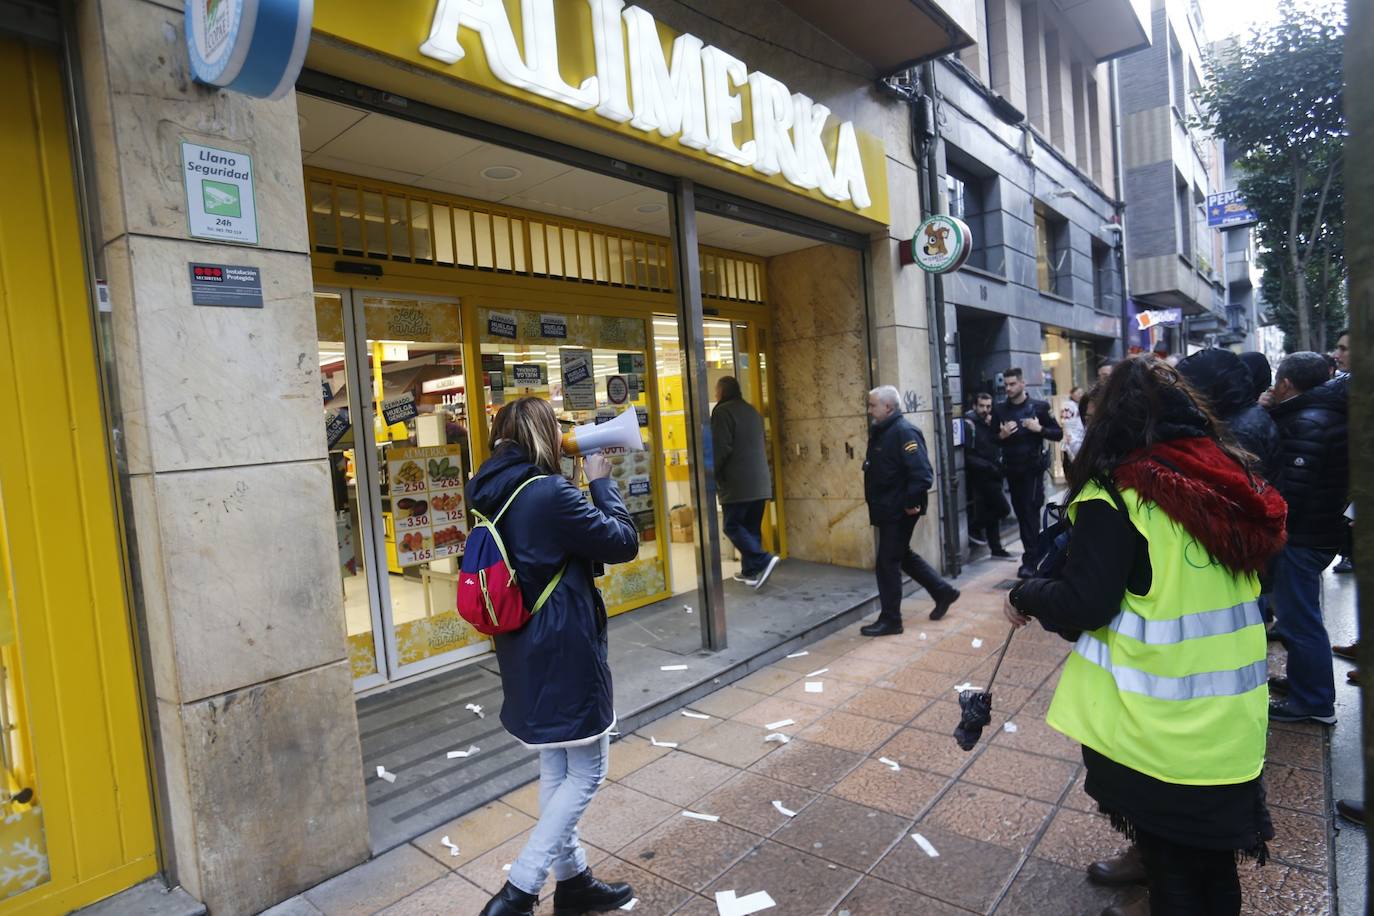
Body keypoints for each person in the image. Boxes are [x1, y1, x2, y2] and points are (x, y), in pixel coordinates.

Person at [1004, 356, 1286, 916]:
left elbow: (1085, 603)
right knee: (1210, 863)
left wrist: (1024, 595)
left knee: (1176, 868)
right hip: (1230, 721)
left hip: (1157, 727)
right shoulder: (1229, 481)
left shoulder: (1119, 497)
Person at [467, 398, 640, 916]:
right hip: (564, 644)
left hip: (523, 643)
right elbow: (623, 542)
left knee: (555, 764)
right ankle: (520, 890)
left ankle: (574, 882)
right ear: (544, 436)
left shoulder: (487, 488)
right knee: (587, 769)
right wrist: (602, 481)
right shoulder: (548, 493)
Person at [1267, 352, 1350, 725]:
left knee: (1299, 620)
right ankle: (1306, 683)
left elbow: (1292, 496)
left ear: (1286, 383)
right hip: (1319, 531)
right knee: (1301, 615)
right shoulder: (1325, 413)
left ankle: (1313, 701)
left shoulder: (1308, 422)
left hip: (1302, 537)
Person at [861, 385, 959, 636]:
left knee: (887, 562)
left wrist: (909, 503)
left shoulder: (903, 432)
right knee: (901, 556)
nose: (869, 410)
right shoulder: (883, 431)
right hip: (888, 508)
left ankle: (891, 620)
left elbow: (923, 475)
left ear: (888, 407)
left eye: (873, 405)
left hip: (899, 510)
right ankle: (942, 591)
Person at [992, 368, 1063, 577]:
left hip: (1033, 472)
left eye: (1012, 384)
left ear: (1023, 384)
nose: (1008, 388)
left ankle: (1030, 561)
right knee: (1022, 515)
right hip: (1012, 471)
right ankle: (1033, 555)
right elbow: (991, 438)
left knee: (1031, 514)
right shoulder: (1000, 410)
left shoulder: (1039, 407)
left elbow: (1058, 434)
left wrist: (1039, 429)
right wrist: (1002, 435)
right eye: (1005, 385)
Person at [1176, 348, 1283, 486]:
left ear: (1208, 389)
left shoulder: (1237, 430)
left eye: (1190, 389)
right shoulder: (1243, 413)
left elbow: (1236, 490)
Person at [711, 376, 779, 588]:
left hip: (737, 485)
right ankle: (750, 572)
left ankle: (763, 559)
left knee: (732, 526)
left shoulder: (722, 412)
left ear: (721, 392)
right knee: (750, 528)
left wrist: (710, 473)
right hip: (760, 484)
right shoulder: (752, 411)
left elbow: (721, 448)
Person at [965, 393, 1012, 558]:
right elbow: (969, 456)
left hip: (994, 474)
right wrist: (990, 468)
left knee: (994, 513)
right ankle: (974, 526)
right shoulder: (969, 424)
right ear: (974, 406)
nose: (985, 410)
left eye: (988, 406)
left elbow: (995, 444)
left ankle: (996, 549)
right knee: (1003, 509)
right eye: (982, 406)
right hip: (981, 476)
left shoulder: (990, 423)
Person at [1062, 386, 1086, 465]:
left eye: (1081, 393)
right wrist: (1067, 435)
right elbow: (1065, 422)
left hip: (1081, 437)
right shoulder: (1068, 405)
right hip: (1072, 437)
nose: (1080, 395)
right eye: (1078, 393)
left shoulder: (1081, 405)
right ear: (1072, 394)